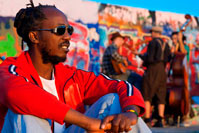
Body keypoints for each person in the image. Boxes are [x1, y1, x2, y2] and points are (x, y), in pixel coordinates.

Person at [0, 1, 150, 133]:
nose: (67, 36)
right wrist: (88, 123)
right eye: (59, 30)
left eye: (69, 30)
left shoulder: (72, 77)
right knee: (23, 109)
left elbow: (122, 86)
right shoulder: (10, 70)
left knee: (114, 100)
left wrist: (131, 113)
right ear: (34, 36)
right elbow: (16, 94)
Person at [141, 26, 171, 127]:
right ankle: (160, 119)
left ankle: (147, 119)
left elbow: (149, 59)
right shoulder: (166, 44)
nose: (151, 34)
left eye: (152, 32)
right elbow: (169, 58)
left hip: (152, 70)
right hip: (162, 71)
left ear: (155, 33)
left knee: (147, 93)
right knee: (161, 94)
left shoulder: (153, 43)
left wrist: (140, 56)